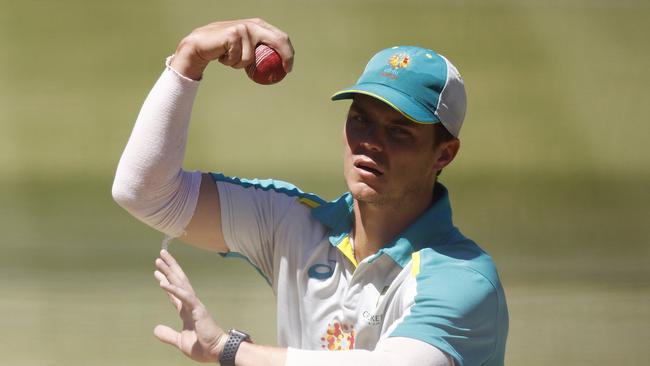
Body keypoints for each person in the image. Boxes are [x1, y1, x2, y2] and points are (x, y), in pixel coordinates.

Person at [112, 18, 508, 366]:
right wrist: (188, 61)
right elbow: (145, 193)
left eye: (399, 131)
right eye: (361, 120)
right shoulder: (294, 222)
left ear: (444, 154)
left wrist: (227, 348)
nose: (370, 142)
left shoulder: (463, 278)